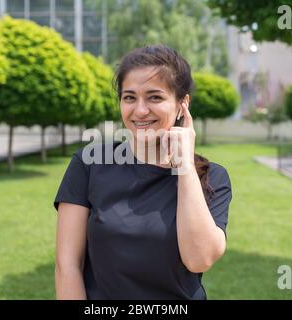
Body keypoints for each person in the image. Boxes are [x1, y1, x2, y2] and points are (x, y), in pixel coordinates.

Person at [53, 44, 232, 300]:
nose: (139, 110)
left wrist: (184, 166)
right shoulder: (89, 164)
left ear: (182, 105)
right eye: (129, 97)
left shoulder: (212, 177)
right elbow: (67, 265)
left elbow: (200, 259)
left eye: (154, 97)